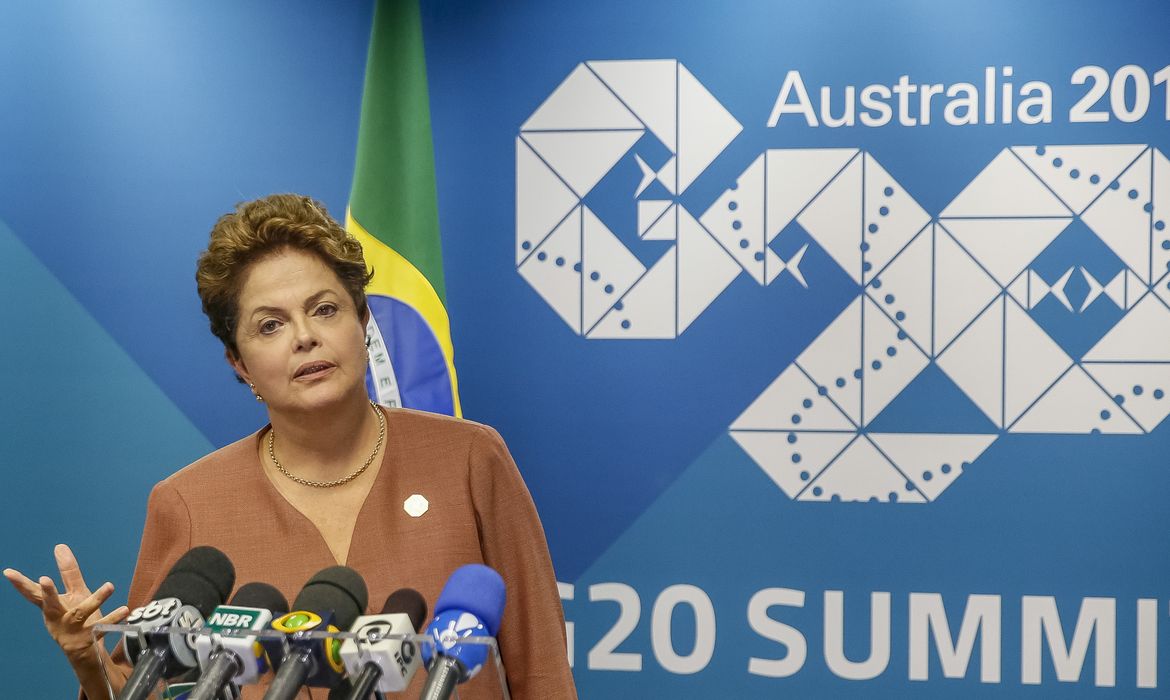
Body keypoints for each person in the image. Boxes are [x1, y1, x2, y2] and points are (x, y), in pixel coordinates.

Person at [4, 194, 577, 699]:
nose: (305, 336)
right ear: (240, 364)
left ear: (364, 322)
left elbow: (544, 673)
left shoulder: (470, 460)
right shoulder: (187, 502)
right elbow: (153, 690)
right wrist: (89, 660)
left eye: (324, 309)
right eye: (269, 325)